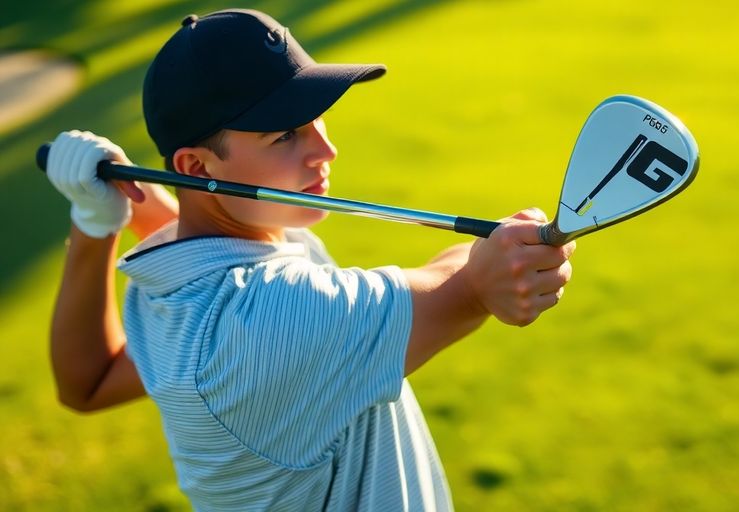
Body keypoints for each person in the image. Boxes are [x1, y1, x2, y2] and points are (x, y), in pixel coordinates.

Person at [45, 9, 575, 511]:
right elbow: (465, 285)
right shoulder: (269, 319)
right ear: (194, 168)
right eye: (285, 135)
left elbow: (87, 383)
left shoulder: (175, 277)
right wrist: (503, 263)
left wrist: (95, 223)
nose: (325, 151)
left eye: (317, 119)